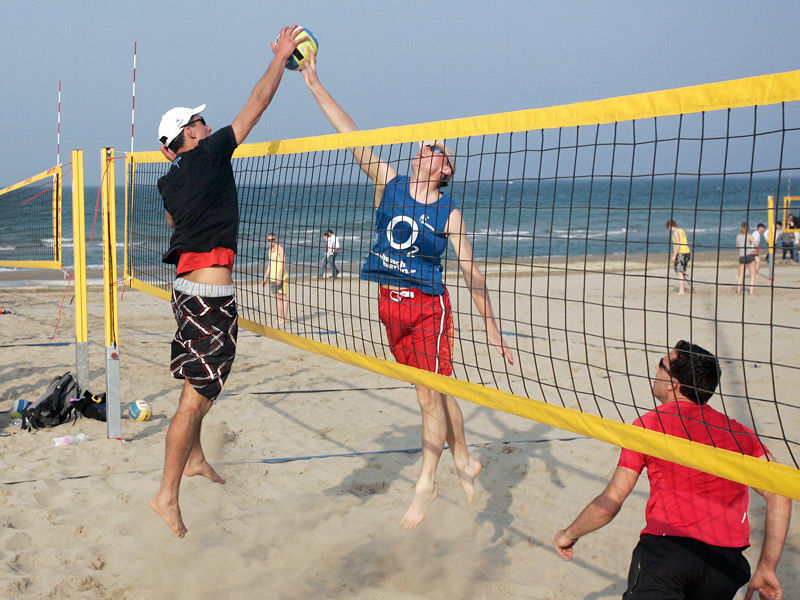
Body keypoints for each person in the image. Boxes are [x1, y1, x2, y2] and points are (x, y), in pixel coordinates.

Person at [300, 51, 514, 529]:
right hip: (387, 307)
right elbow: (352, 135)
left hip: (428, 310)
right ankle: (464, 457)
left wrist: (493, 330)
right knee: (438, 391)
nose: (424, 148)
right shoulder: (389, 183)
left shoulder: (450, 213)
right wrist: (314, 83)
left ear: (445, 170)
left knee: (427, 396)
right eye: (424, 144)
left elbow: (473, 275)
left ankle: (426, 482)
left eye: (435, 149)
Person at [150, 26, 304, 539]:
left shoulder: (168, 180)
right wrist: (282, 58)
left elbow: (179, 226)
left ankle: (193, 458)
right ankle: (166, 495)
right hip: (209, 297)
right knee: (198, 396)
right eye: (198, 120)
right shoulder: (210, 154)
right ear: (189, 135)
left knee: (200, 386)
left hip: (187, 291)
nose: (206, 122)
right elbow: (256, 103)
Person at [553, 341, 791, 600]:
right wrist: (767, 567)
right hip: (725, 566)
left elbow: (609, 504)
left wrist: (568, 534)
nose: (655, 368)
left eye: (661, 365)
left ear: (672, 383)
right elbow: (780, 494)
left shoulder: (649, 426)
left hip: (668, 552)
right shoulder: (738, 432)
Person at [261, 232, 289, 327]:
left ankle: (283, 318)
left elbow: (283, 262)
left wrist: (280, 277)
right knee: (277, 298)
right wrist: (265, 278)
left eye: (272, 240)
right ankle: (279, 317)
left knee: (283, 297)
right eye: (269, 240)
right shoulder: (269, 251)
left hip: (281, 277)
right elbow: (270, 264)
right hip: (272, 278)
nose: (270, 242)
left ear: (275, 239)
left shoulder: (280, 248)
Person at [666, 220, 691, 295]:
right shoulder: (682, 230)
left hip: (681, 252)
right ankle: (683, 276)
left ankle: (681, 290)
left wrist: (674, 255)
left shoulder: (676, 232)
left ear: (670, 226)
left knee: (679, 271)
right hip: (687, 251)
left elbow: (678, 244)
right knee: (679, 270)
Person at [737, 222, 758, 294]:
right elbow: (756, 244)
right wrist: (756, 251)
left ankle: (738, 290)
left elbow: (737, 246)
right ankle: (751, 291)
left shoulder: (738, 236)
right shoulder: (749, 236)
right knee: (752, 274)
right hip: (749, 255)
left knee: (741, 275)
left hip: (742, 256)